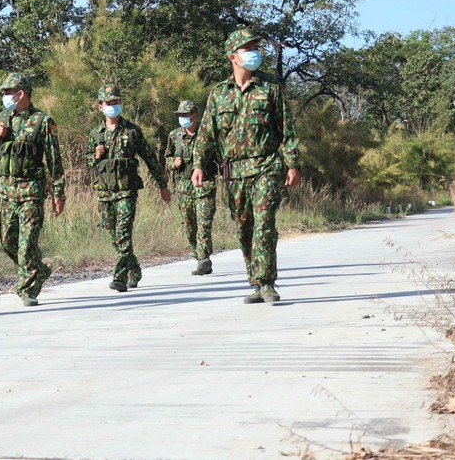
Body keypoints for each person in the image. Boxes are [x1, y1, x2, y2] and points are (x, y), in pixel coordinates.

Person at [192, 29, 301, 303]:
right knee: (244, 228)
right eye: (247, 48)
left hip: (266, 166)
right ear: (233, 57)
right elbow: (206, 133)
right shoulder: (218, 94)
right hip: (234, 171)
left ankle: (266, 282)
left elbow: (286, 129)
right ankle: (255, 280)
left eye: (255, 47)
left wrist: (292, 164)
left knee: (264, 222)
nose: (254, 52)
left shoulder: (270, 88)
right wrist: (199, 165)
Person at [0, 73, 66, 307]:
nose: (4, 97)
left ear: (21, 93)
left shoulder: (43, 121)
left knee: (27, 241)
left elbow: (55, 160)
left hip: (31, 190)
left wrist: (58, 193)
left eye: (7, 92)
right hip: (6, 190)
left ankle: (28, 288)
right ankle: (39, 269)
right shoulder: (1, 118)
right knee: (6, 240)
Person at [87, 84, 172, 292]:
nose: (113, 106)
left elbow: (150, 159)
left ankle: (119, 276)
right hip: (105, 193)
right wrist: (95, 156)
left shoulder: (132, 131)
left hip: (127, 192)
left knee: (123, 233)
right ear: (100, 107)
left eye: (116, 102)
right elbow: (88, 162)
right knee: (114, 235)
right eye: (109, 103)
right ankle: (134, 269)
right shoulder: (95, 134)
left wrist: (163, 185)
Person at [165, 100, 218, 276]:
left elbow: (220, 155)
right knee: (190, 225)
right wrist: (173, 162)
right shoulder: (175, 136)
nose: (182, 118)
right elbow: (167, 156)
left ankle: (204, 259)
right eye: (180, 115)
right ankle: (198, 255)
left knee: (204, 223)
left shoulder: (207, 134)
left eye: (185, 115)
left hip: (205, 185)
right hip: (184, 186)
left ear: (195, 116)